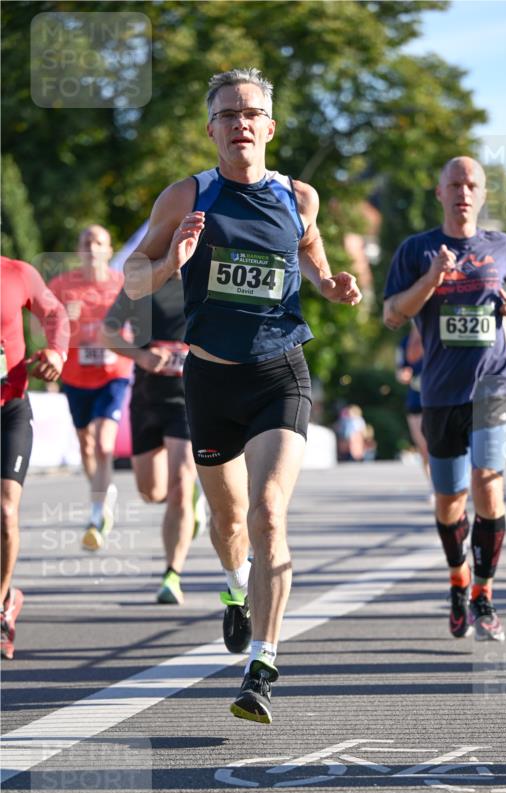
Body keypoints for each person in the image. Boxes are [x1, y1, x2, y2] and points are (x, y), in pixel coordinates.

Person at [124, 67, 361, 723]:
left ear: (270, 127)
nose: (240, 124)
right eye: (227, 114)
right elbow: (135, 279)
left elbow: (310, 249)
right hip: (208, 380)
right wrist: (172, 261)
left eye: (251, 113)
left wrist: (328, 282)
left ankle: (261, 661)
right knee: (228, 524)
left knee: (267, 513)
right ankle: (234, 589)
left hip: (278, 373)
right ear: (211, 129)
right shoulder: (187, 195)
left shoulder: (297, 197)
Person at [384, 156, 506, 641]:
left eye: (472, 184)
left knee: (487, 483)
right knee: (450, 498)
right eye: (454, 183)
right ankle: (458, 579)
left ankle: (485, 594)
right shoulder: (417, 249)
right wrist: (431, 279)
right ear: (439, 191)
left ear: (483, 194)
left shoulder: (501, 246)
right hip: (440, 391)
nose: (463, 192)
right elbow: (391, 313)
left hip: (494, 384)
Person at [103, 273, 207, 605]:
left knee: (179, 482)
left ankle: (171, 575)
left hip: (188, 398)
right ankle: (189, 502)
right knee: (152, 492)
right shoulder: (140, 284)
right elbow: (108, 332)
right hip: (147, 399)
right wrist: (141, 356)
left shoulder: (204, 281)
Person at [1, 256, 70, 659]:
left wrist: (57, 352)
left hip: (9, 409)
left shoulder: (17, 273)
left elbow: (55, 312)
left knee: (6, 513)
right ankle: (8, 594)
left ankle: (0, 609)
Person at [49, 226, 132, 551]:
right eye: (86, 242)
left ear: (109, 250)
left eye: (99, 241)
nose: (92, 247)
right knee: (86, 447)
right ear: (78, 249)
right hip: (75, 377)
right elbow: (47, 333)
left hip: (113, 374)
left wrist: (118, 341)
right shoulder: (61, 286)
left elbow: (137, 328)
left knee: (102, 442)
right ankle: (102, 490)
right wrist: (64, 322)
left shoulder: (122, 285)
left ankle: (98, 514)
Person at [395, 322, 430, 485]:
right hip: (415, 400)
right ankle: (435, 487)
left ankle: (444, 488)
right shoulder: (404, 342)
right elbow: (400, 370)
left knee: (437, 446)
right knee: (423, 448)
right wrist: (403, 375)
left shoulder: (434, 337)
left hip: (435, 399)